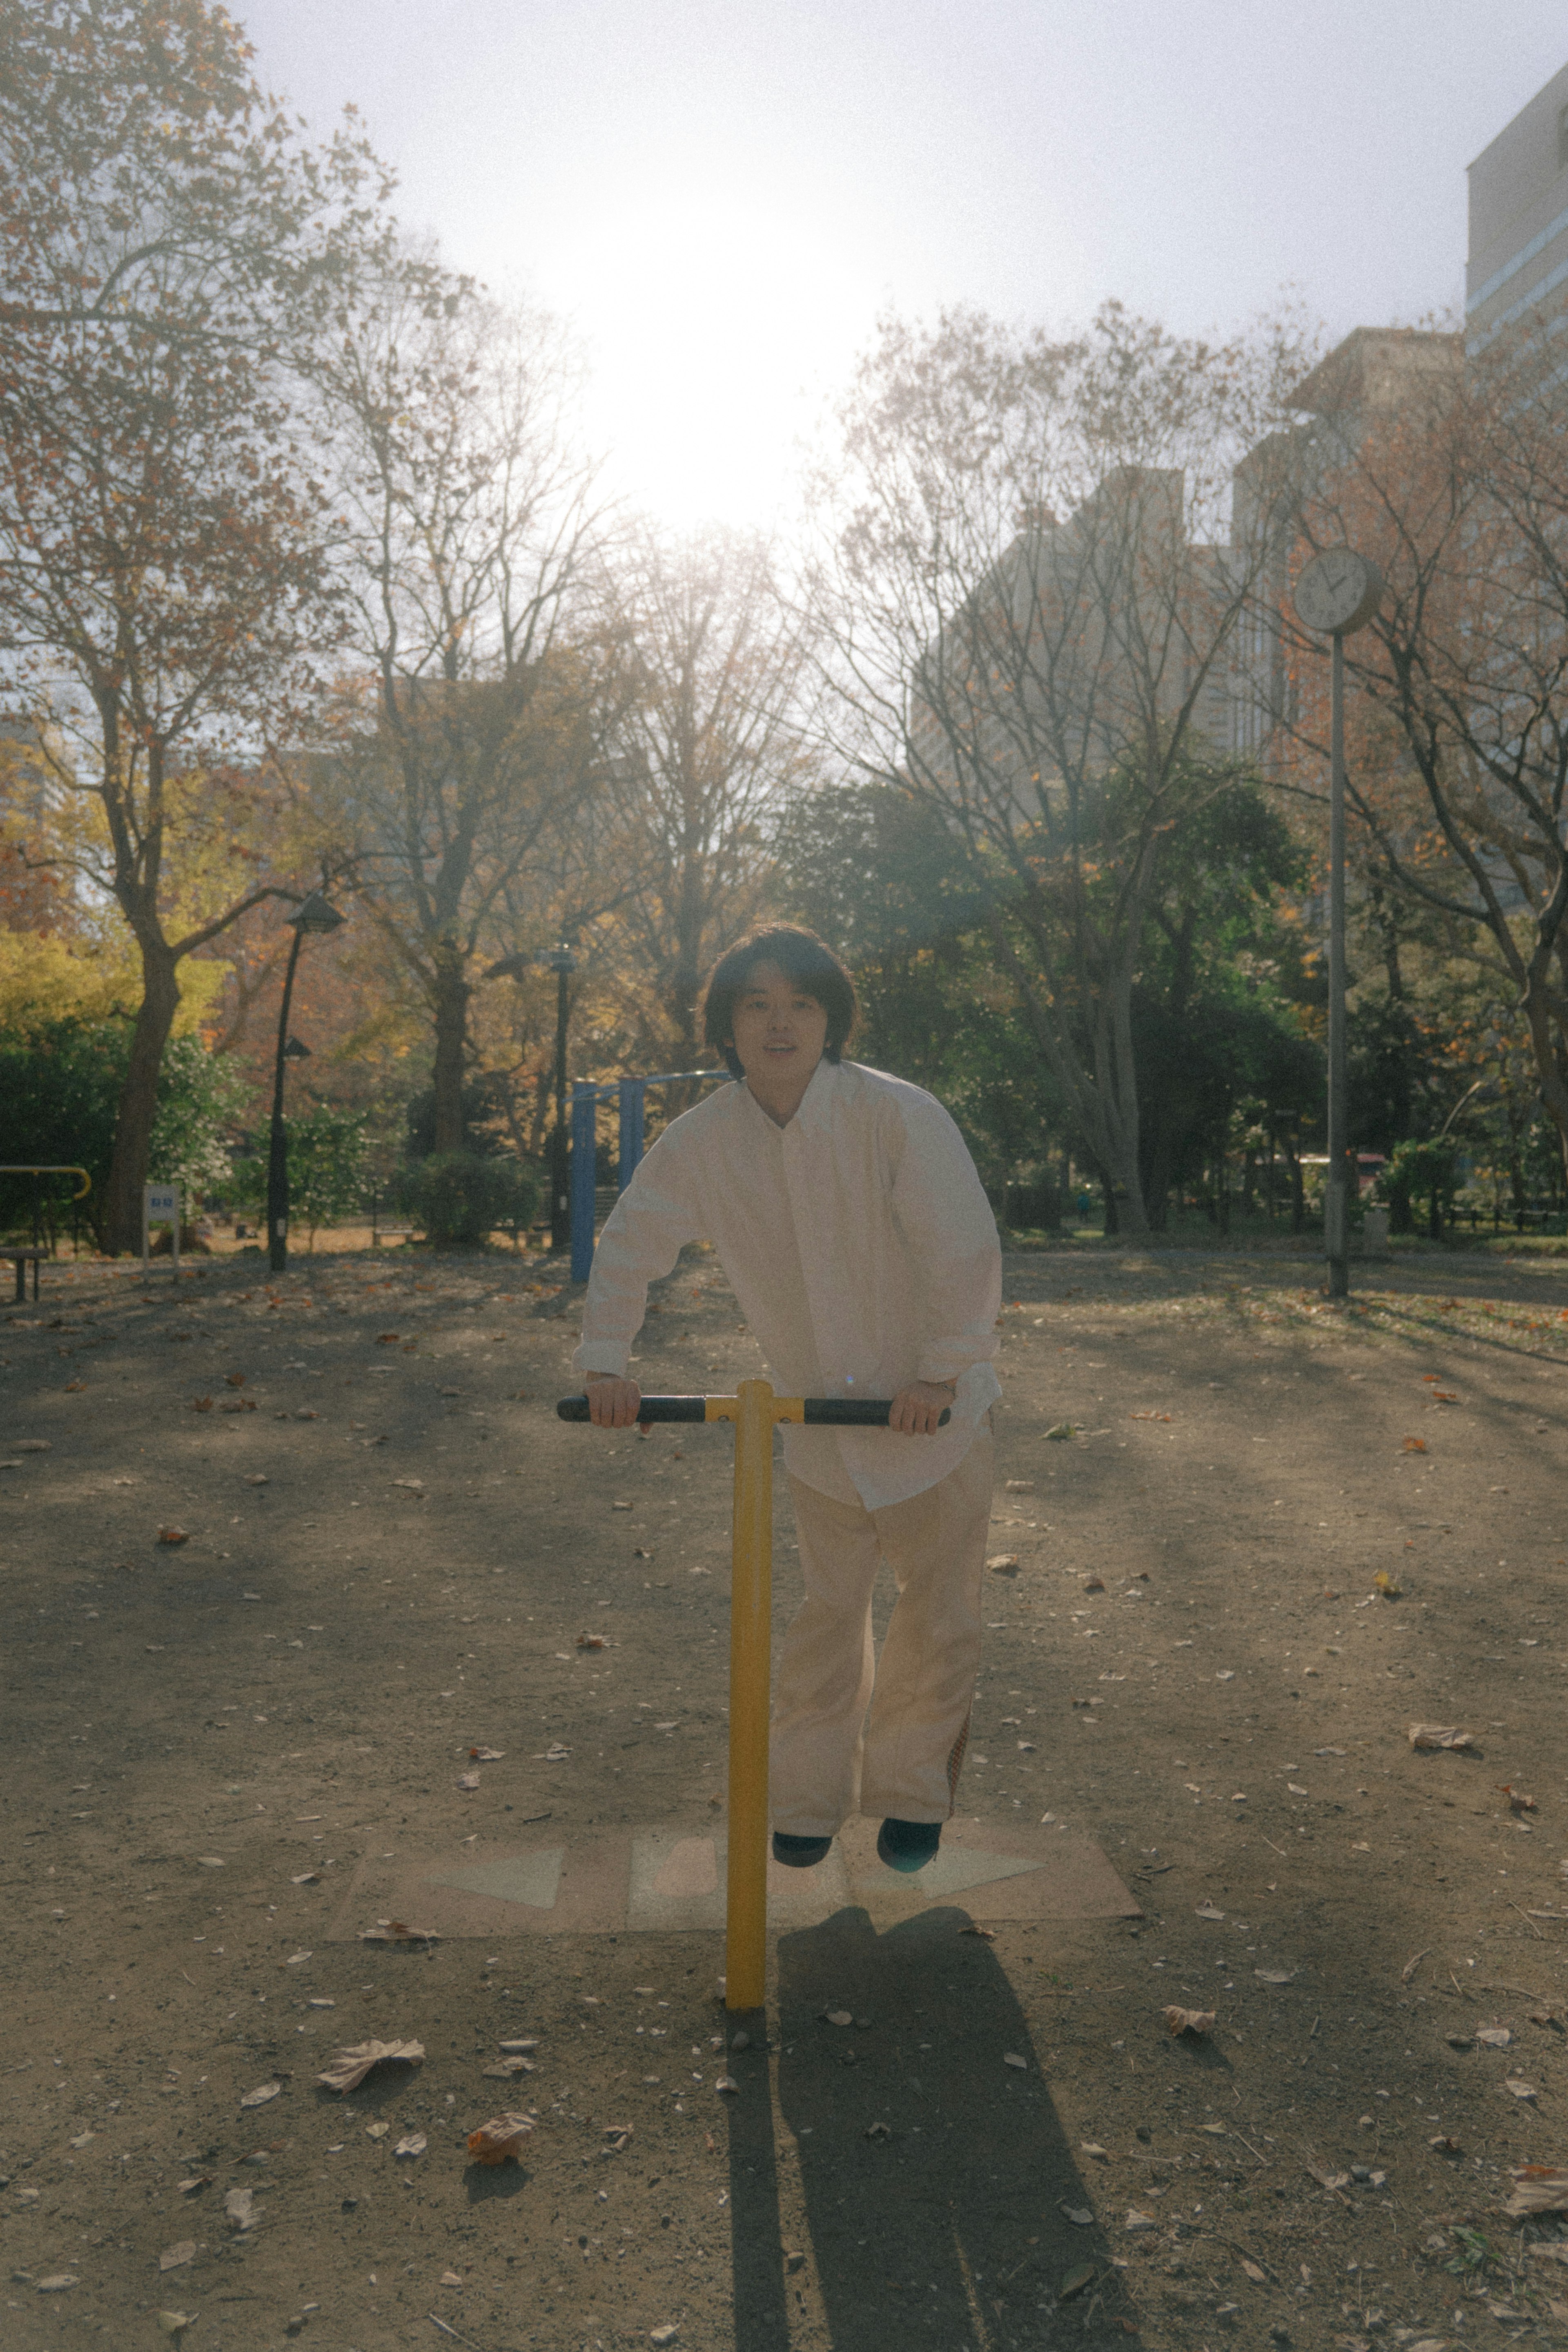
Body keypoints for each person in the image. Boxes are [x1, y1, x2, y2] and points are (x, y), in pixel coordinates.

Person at [573, 926, 1001, 1874]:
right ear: (727, 1025)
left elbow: (958, 1245)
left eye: (802, 1005)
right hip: (817, 1428)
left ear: (831, 1021)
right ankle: (806, 1802)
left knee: (936, 1616)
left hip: (928, 1419)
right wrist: (607, 1365)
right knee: (823, 1618)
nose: (780, 1023)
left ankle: (911, 1795)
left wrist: (943, 1370)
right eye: (757, 1005)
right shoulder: (705, 1140)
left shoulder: (896, 1115)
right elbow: (632, 1240)